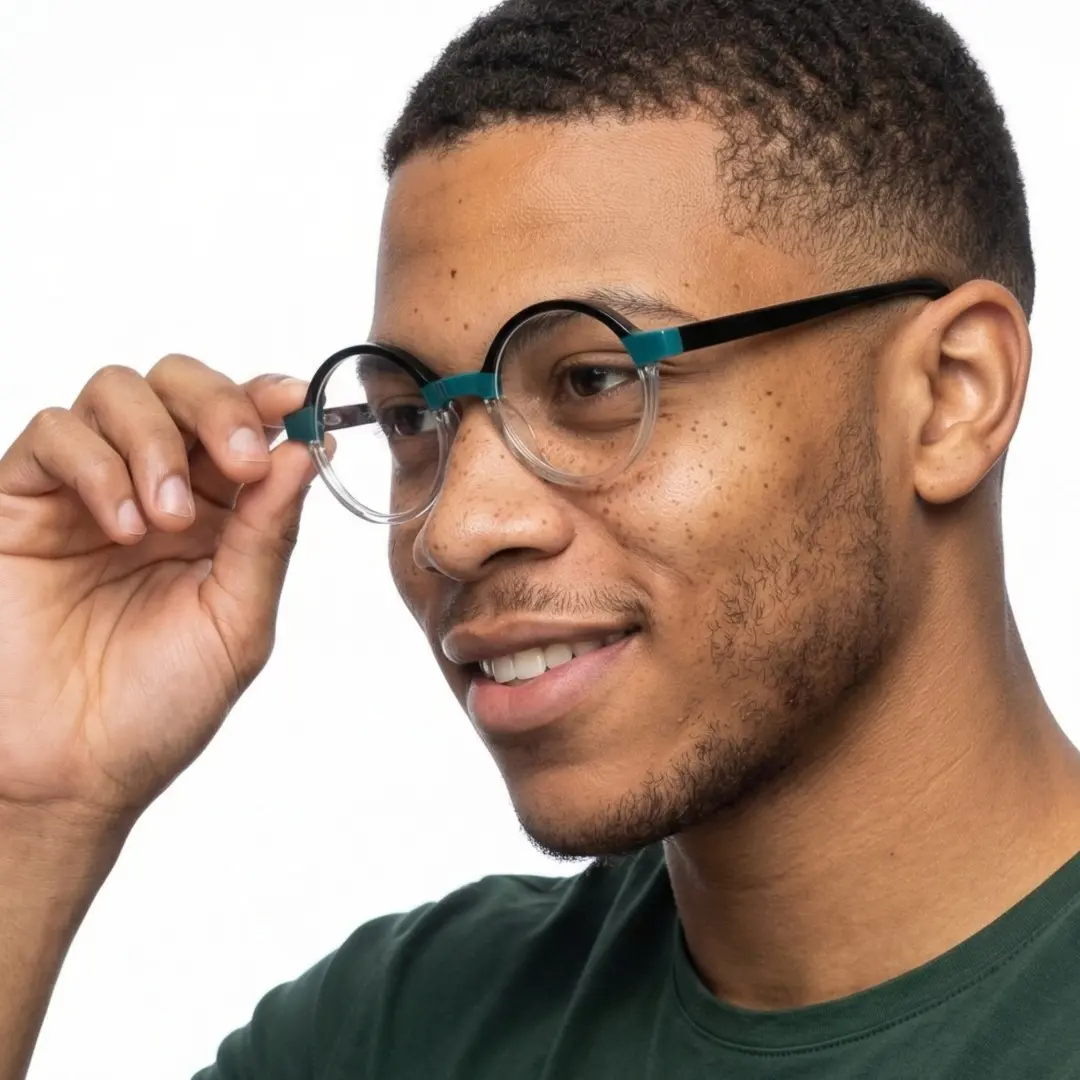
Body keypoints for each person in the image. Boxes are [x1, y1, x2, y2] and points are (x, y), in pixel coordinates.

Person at [1, 0, 1076, 1076]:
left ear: (951, 395)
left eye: (595, 380)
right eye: (413, 418)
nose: (456, 529)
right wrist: (32, 807)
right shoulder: (399, 1034)